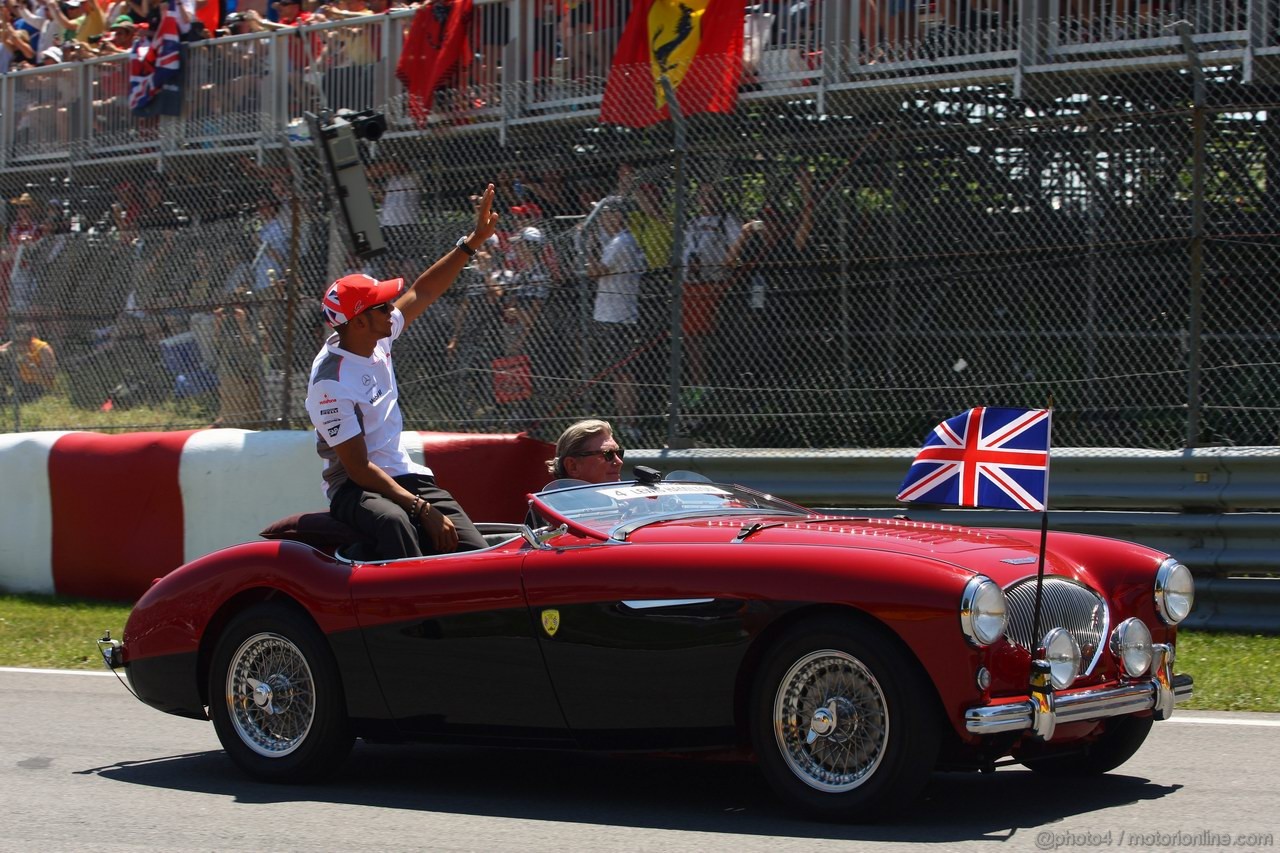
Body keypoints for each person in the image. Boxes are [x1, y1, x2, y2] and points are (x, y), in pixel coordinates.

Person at [303, 182, 499, 561]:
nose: (390, 307)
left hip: (403, 475)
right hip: (354, 487)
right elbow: (358, 468)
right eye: (380, 305)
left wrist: (473, 241)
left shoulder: (376, 334)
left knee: (474, 555)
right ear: (357, 322)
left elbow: (423, 292)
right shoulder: (330, 382)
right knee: (397, 526)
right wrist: (422, 510)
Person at [585, 196, 644, 432]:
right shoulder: (614, 240)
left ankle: (628, 422)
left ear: (618, 216)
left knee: (623, 373)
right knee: (615, 371)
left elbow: (597, 270)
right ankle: (620, 419)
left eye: (607, 214)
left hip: (618, 317)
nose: (603, 220)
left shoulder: (621, 242)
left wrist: (585, 250)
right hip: (608, 315)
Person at [545, 418, 624, 483]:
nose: (619, 462)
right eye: (608, 454)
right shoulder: (552, 502)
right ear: (573, 466)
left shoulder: (626, 501)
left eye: (619, 453)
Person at [0, 322, 57, 402]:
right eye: (17, 341)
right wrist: (6, 352)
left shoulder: (43, 349)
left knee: (12, 401)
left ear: (30, 339)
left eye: (21, 342)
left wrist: (30, 365)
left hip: (39, 384)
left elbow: (50, 374)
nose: (19, 345)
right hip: (22, 380)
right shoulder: (16, 343)